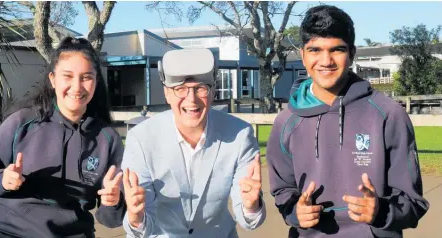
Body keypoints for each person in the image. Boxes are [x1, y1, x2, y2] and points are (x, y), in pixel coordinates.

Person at [267, 5, 429, 238]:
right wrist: (295, 213)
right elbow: (283, 191)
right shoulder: (286, 121)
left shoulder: (387, 114)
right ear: (303, 55)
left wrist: (381, 211)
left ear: (352, 54)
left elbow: (414, 204)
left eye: (337, 50)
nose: (326, 61)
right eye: (315, 50)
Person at [0, 37, 126, 238]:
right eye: (67, 76)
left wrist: (113, 202)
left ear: (96, 82)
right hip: (9, 232)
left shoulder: (108, 139)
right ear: (53, 79)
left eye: (86, 77)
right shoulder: (22, 122)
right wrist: (3, 180)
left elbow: (110, 220)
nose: (77, 87)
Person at [121, 48, 266, 237]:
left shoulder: (240, 135)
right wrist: (136, 217)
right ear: (167, 93)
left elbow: (249, 220)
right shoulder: (140, 139)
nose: (191, 99)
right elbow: (141, 221)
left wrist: (251, 206)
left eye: (200, 88)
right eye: (180, 88)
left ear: (212, 91)